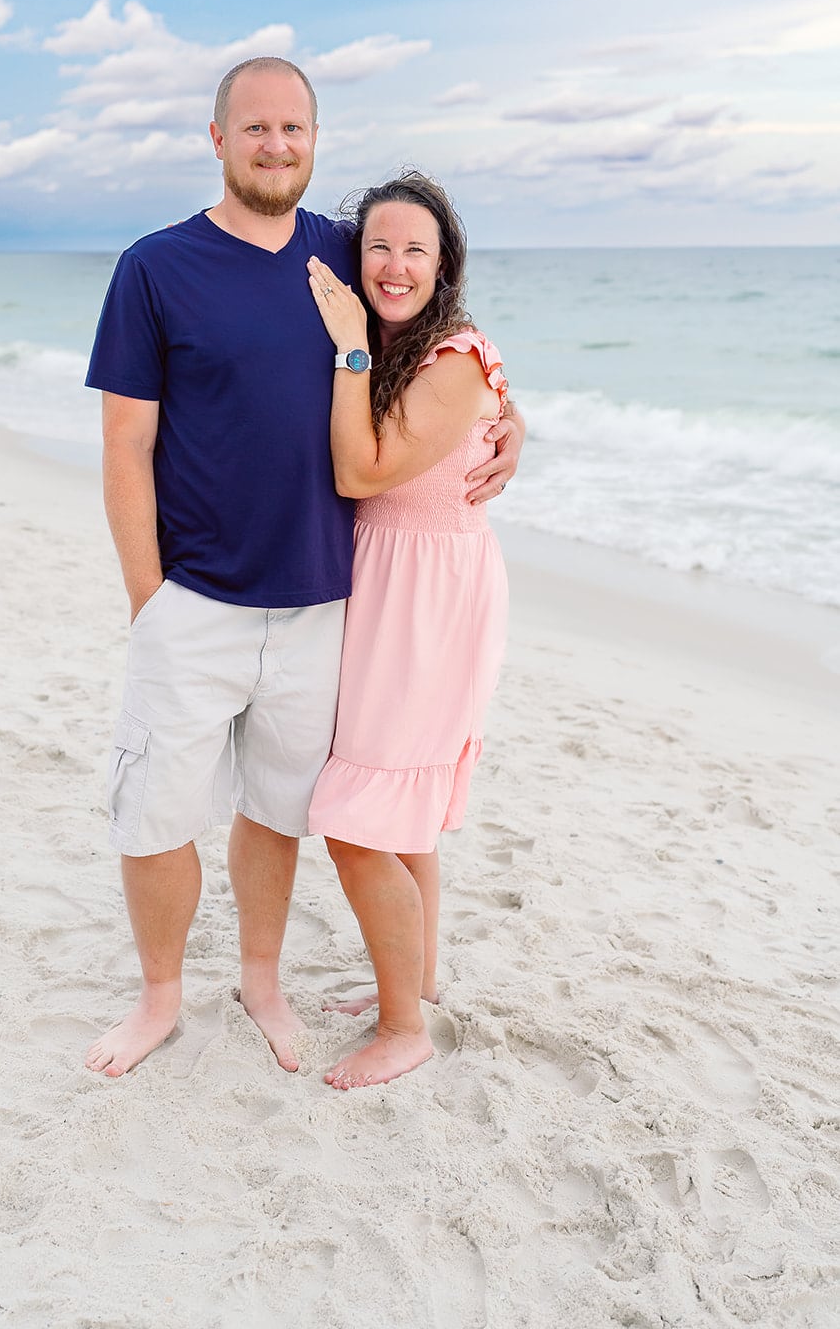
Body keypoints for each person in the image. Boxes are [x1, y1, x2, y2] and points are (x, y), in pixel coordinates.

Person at [83, 59, 524, 1079]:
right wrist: (146, 598)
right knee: (154, 814)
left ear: (314, 140)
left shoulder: (342, 249)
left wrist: (510, 417)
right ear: (217, 137)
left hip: (329, 602)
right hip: (191, 596)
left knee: (277, 815)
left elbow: (445, 336)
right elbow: (123, 447)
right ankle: (158, 999)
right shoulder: (155, 267)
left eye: (293, 128)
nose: (274, 145)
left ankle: (261, 980)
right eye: (255, 128)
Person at [304, 172, 511, 1090]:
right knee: (406, 819)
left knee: (354, 823)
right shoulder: (405, 351)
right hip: (388, 584)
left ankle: (401, 1029)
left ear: (443, 266)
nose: (393, 265)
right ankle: (414, 982)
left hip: (428, 599)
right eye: (378, 247)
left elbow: (360, 470)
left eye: (414, 250)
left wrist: (349, 347)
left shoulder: (450, 357)